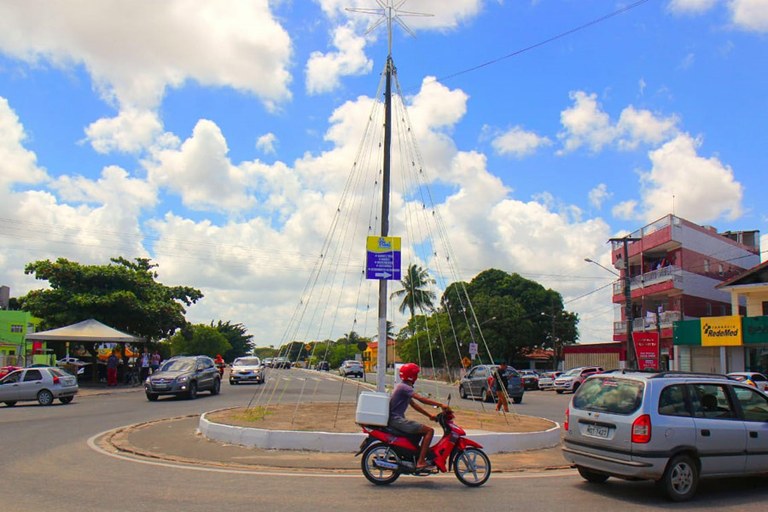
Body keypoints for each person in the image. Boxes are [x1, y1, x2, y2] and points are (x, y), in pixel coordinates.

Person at [388, 363, 447, 471]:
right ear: (412, 376)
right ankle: (420, 462)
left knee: (419, 433)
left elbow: (414, 405)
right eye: (416, 374)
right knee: (429, 431)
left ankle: (415, 457)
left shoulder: (402, 387)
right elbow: (421, 399)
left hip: (396, 420)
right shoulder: (405, 387)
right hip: (397, 420)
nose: (417, 377)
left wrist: (430, 415)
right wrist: (440, 405)